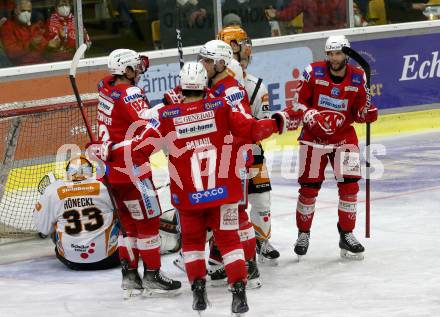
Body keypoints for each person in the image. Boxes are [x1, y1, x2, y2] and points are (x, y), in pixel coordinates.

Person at [95, 61, 290, 315]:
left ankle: (198, 290)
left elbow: (142, 147)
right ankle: (239, 293)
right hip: (221, 194)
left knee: (193, 245)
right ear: (204, 84)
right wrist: (278, 121)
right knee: (230, 242)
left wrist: (110, 149)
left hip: (188, 199)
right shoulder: (221, 107)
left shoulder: (167, 116)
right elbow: (252, 128)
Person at [95, 48, 181, 298]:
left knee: (128, 224)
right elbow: (146, 127)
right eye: (136, 67)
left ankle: (130, 276)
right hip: (133, 169)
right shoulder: (130, 92)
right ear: (127, 71)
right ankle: (153, 274)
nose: (140, 72)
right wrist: (169, 107)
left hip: (111, 170)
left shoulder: (105, 89)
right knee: (148, 222)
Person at [292, 35, 378, 260]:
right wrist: (310, 115)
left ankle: (346, 234)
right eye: (330, 54)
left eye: (338, 53)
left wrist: (365, 113)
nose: (333, 58)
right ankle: (303, 233)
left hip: (344, 139)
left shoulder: (359, 77)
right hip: (313, 139)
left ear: (347, 54)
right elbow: (298, 102)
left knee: (350, 188)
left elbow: (359, 110)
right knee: (309, 189)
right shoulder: (313, 72)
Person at [197, 39, 262, 288]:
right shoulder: (210, 86)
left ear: (221, 63)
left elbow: (244, 126)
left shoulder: (232, 89)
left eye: (207, 60)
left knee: (238, 214)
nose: (202, 64)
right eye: (201, 59)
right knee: (220, 214)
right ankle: (223, 261)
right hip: (217, 162)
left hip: (234, 161)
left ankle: (250, 265)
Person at [217, 25, 281, 265]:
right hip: (223, 157)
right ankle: (222, 249)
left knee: (262, 199)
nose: (248, 48)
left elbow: (260, 126)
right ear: (232, 46)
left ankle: (261, 241)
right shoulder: (210, 87)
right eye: (244, 42)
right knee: (227, 206)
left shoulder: (257, 86)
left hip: (251, 153)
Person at [33, 156, 120, 271]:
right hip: (109, 259)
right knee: (120, 216)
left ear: (69, 173)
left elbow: (43, 228)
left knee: (55, 223)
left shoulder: (54, 190)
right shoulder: (105, 185)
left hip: (70, 261)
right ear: (90, 171)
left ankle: (72, 248)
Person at [0, 0, 56, 65]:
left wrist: (49, 46)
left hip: (42, 64)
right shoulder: (7, 27)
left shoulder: (34, 26)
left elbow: (43, 47)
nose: (26, 14)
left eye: (29, 11)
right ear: (15, 11)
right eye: (23, 11)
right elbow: (11, 52)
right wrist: (29, 45)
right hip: (23, 68)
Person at [265, 0, 347, 33]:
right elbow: (348, 16)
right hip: (337, 38)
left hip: (311, 40)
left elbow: (288, 15)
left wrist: (275, 14)